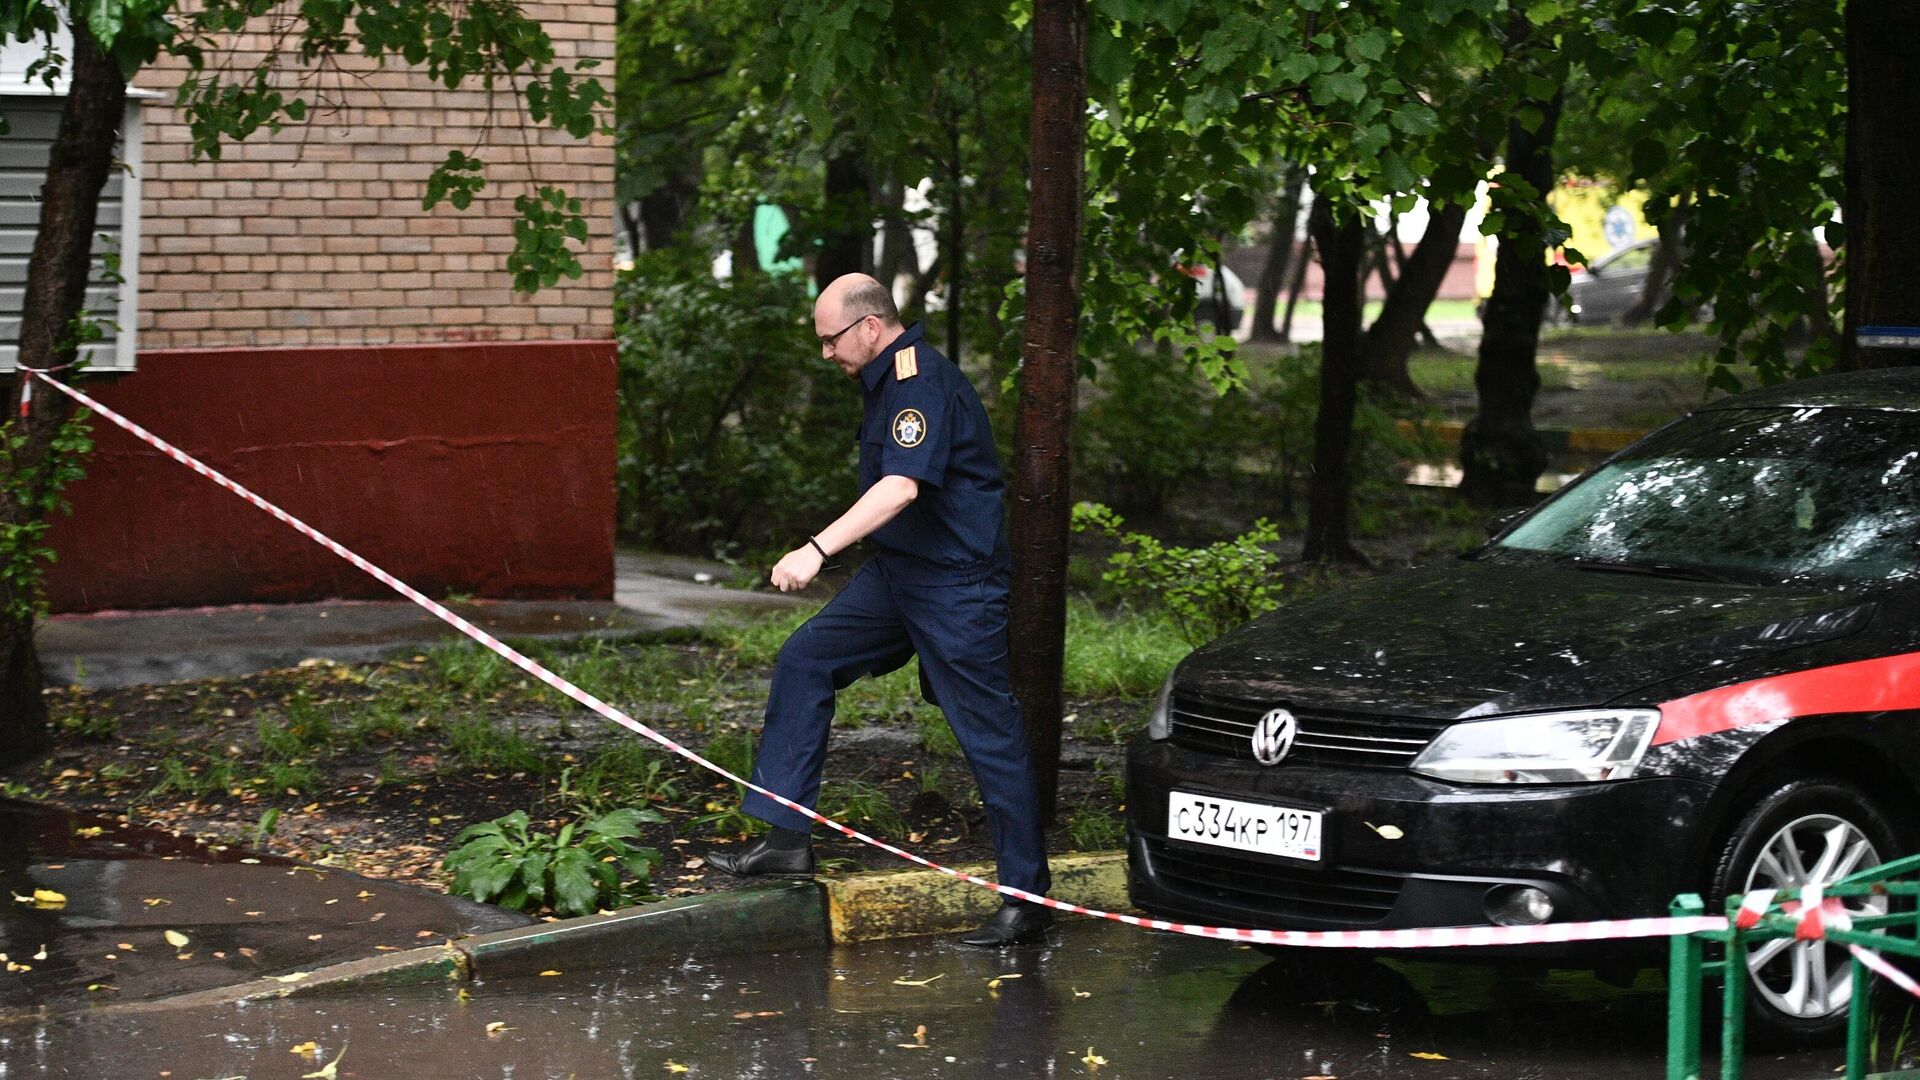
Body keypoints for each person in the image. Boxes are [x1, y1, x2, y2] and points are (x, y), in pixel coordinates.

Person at [706, 273, 1053, 947]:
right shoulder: (886, 382)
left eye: (831, 339)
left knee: (987, 732)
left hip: (957, 585)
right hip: (899, 577)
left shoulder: (919, 385)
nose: (827, 354)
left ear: (869, 327)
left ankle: (1025, 897)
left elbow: (899, 487)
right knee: (806, 659)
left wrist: (816, 549)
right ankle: (785, 839)